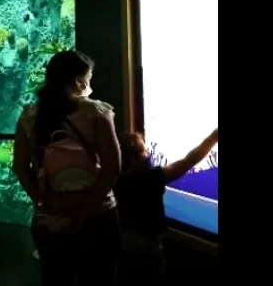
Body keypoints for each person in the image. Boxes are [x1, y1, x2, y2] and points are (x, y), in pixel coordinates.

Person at [12, 50, 122, 286]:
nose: (89, 83)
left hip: (50, 219)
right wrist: (84, 210)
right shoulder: (97, 112)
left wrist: (42, 203)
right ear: (78, 81)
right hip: (97, 217)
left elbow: (20, 167)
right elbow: (112, 168)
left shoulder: (29, 117)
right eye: (89, 77)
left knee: (55, 279)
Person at [115, 128, 218, 286]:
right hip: (147, 245)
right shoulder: (149, 178)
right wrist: (213, 138)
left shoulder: (114, 179)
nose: (148, 154)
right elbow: (187, 162)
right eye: (144, 151)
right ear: (134, 159)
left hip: (122, 240)